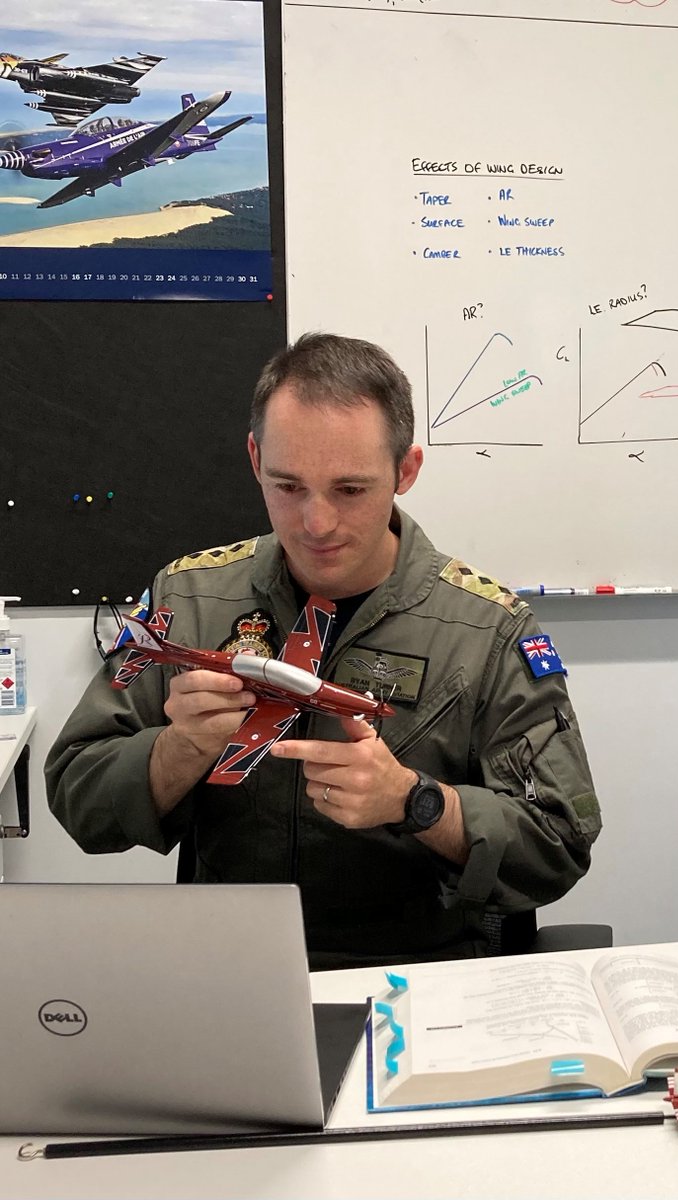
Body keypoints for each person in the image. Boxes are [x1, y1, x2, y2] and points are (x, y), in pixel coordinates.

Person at [46, 333, 601, 968]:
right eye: (287, 486)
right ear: (255, 458)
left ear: (406, 470)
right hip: (231, 971)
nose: (316, 523)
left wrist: (416, 802)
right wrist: (177, 751)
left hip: (418, 983)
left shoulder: (487, 631)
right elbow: (76, 796)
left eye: (350, 490)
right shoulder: (190, 599)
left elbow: (559, 842)